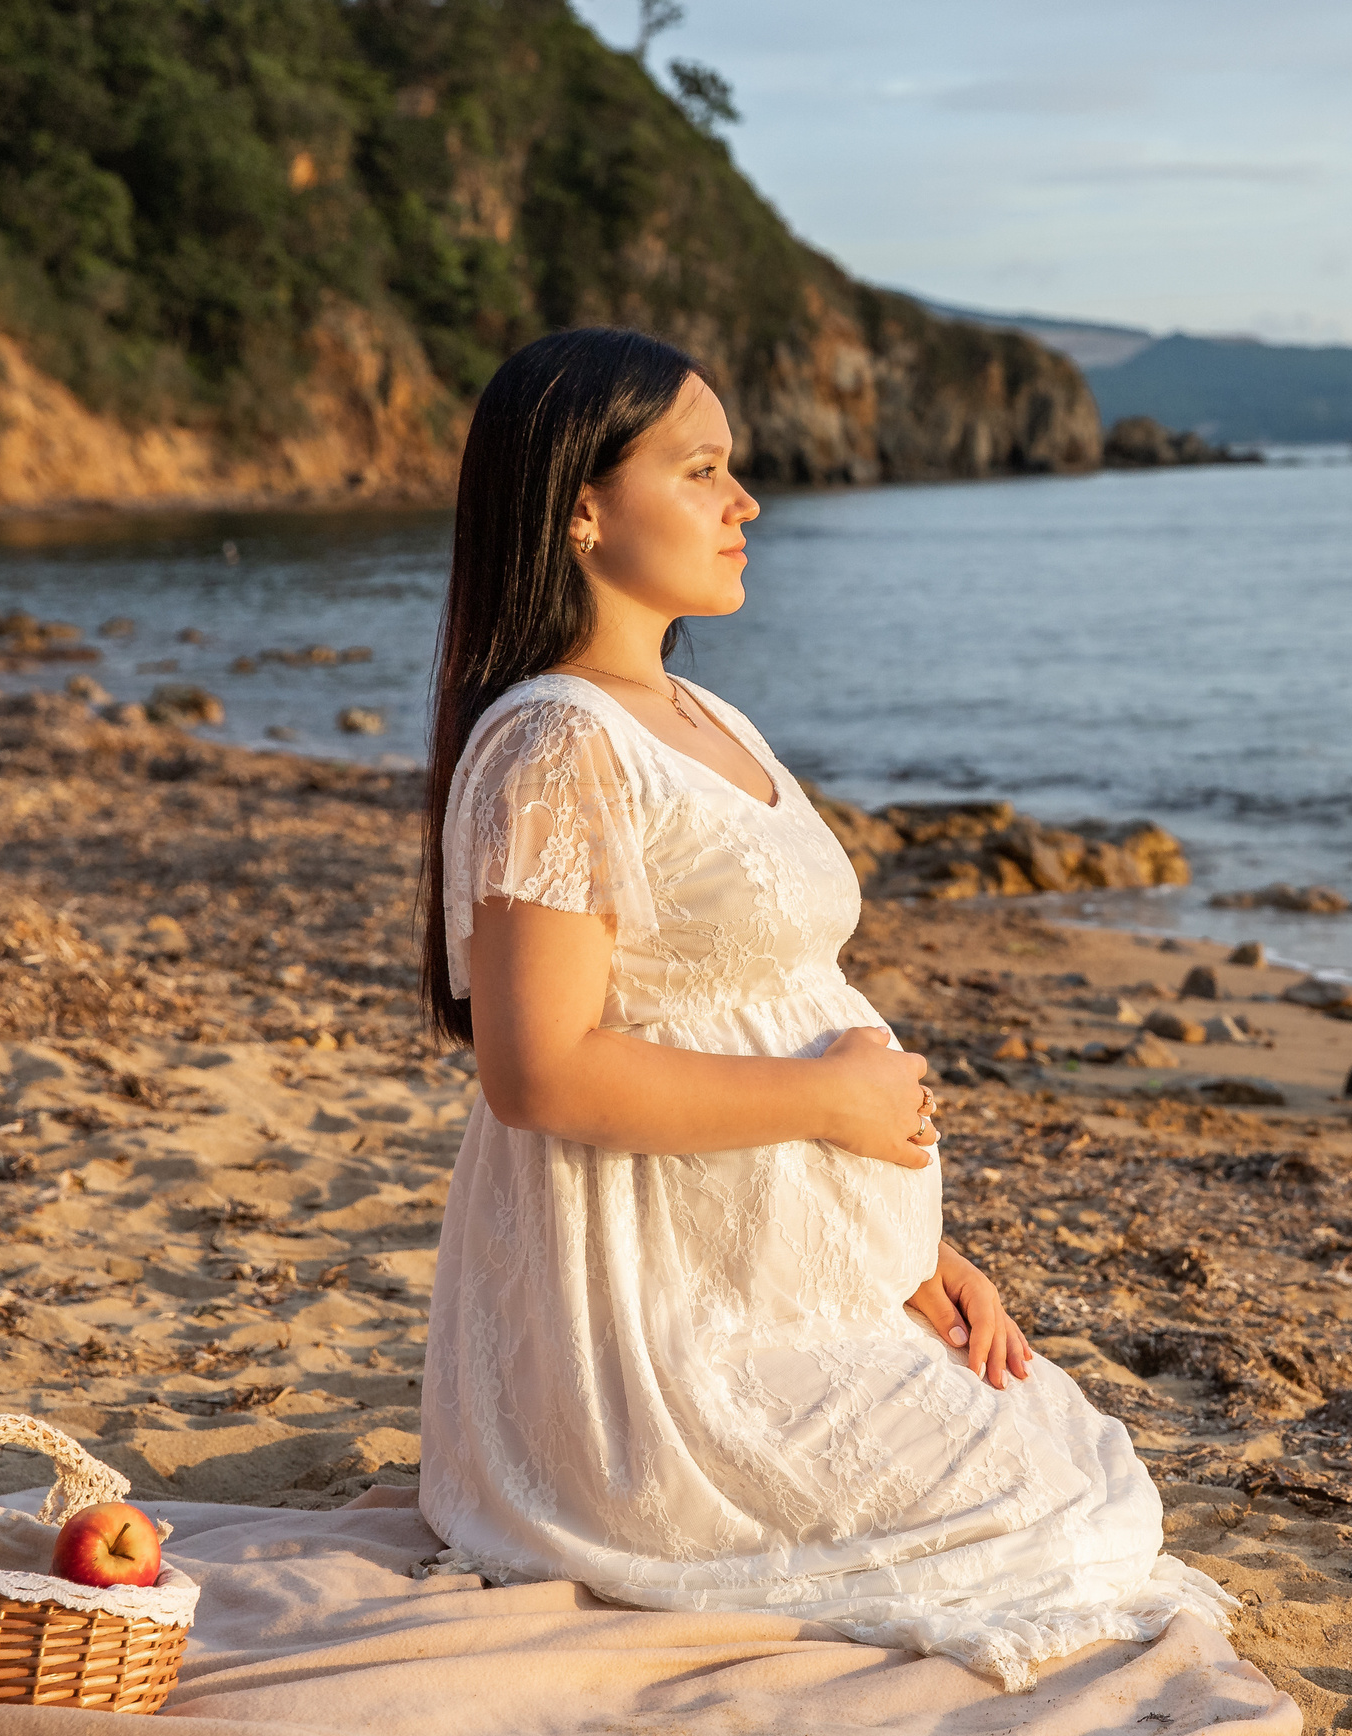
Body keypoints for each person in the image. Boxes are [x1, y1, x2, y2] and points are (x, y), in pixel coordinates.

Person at [413, 328, 1233, 1691]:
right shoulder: (557, 742)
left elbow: (769, 998)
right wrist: (835, 1102)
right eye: (703, 470)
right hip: (648, 1316)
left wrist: (904, 1251)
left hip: (782, 1271)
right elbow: (539, 1072)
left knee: (1062, 1455)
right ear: (581, 506)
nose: (747, 503)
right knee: (1047, 1521)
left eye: (735, 470)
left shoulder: (702, 714)